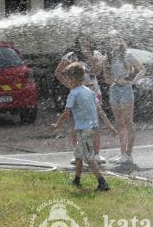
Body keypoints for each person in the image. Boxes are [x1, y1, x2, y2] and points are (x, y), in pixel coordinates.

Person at [51, 62, 116, 191]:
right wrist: (110, 127)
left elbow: (66, 112)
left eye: (68, 79)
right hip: (93, 128)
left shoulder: (73, 93)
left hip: (84, 130)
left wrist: (58, 124)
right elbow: (100, 111)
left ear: (73, 79)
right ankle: (77, 179)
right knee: (78, 154)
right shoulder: (90, 92)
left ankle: (102, 182)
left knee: (89, 157)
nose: (67, 82)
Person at [54, 36, 107, 164]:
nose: (84, 43)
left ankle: (96, 153)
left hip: (93, 91)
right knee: (76, 124)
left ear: (90, 42)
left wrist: (89, 56)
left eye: (86, 40)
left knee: (95, 123)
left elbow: (98, 71)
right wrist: (70, 85)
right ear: (77, 43)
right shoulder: (71, 56)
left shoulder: (96, 54)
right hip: (77, 92)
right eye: (81, 41)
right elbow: (58, 72)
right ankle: (77, 154)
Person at [104, 35, 144, 165]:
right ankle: (122, 153)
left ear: (120, 41)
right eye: (110, 40)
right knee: (119, 122)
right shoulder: (107, 58)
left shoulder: (127, 55)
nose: (113, 42)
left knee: (128, 121)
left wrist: (132, 81)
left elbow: (142, 70)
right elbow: (106, 79)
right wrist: (116, 80)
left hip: (126, 90)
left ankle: (129, 153)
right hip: (114, 90)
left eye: (115, 39)